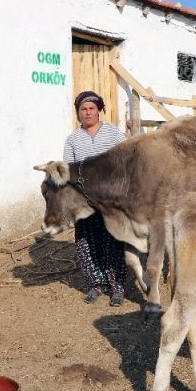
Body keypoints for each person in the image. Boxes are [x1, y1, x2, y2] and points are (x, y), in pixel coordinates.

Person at [63, 90, 128, 306]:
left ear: (99, 110)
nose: (88, 112)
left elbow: (125, 163)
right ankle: (96, 284)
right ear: (78, 113)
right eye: (83, 109)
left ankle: (117, 287)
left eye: (92, 108)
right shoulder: (73, 140)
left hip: (111, 200)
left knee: (114, 241)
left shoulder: (114, 134)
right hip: (84, 201)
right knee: (87, 242)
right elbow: (68, 171)